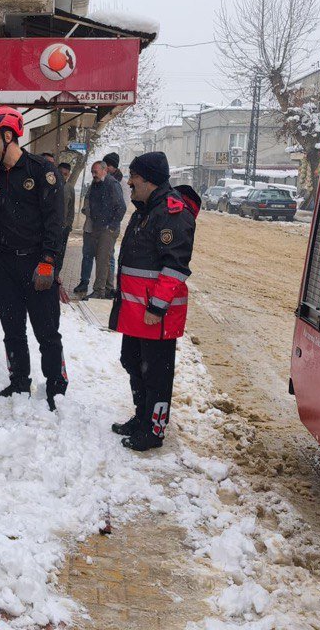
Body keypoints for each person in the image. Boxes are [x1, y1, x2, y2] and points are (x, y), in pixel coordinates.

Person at [0, 106, 69, 411]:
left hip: (37, 264)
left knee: (47, 332)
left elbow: (55, 221)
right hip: (4, 267)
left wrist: (48, 262)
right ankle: (19, 381)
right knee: (13, 331)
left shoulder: (42, 172)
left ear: (8, 136)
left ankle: (56, 386)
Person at [108, 152, 200, 451]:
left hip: (154, 314)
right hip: (136, 310)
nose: (129, 181)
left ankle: (154, 430)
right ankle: (142, 417)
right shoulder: (146, 208)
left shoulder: (172, 213)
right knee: (132, 361)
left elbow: (175, 267)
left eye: (133, 175)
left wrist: (157, 307)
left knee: (156, 373)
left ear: (148, 178)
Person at [78, 153, 125, 300]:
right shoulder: (97, 183)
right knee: (102, 259)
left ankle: (99, 291)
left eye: (95, 172)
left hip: (107, 229)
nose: (93, 175)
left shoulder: (112, 184)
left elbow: (121, 207)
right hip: (97, 228)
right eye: (92, 172)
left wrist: (111, 226)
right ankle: (108, 289)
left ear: (104, 170)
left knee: (103, 260)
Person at [57, 162, 76, 272]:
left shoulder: (70, 189)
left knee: (60, 254)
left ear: (68, 175)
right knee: (47, 254)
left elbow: (71, 209)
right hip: (49, 228)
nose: (62, 176)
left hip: (63, 229)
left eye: (65, 174)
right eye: (60, 173)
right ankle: (44, 279)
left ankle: (56, 276)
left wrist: (68, 225)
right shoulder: (49, 185)